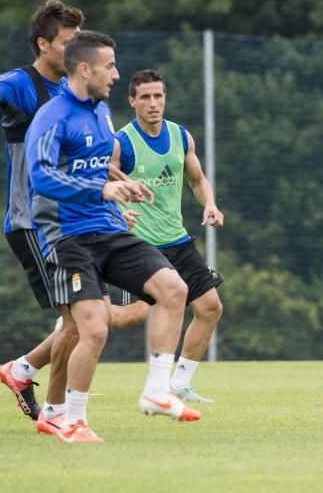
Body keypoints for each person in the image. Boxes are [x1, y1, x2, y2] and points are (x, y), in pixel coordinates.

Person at [0, 0, 147, 434]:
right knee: (81, 321)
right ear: (44, 44)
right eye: (67, 43)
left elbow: (86, 161)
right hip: (33, 221)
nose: (75, 51)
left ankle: (33, 383)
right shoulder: (22, 84)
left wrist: (112, 201)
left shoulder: (82, 99)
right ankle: (42, 396)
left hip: (75, 220)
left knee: (84, 320)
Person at [26, 30, 200, 443]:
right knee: (96, 329)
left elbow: (97, 166)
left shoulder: (101, 112)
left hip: (108, 227)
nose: (116, 75)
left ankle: (157, 392)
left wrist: (123, 185)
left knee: (174, 289)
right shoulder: (53, 116)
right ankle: (72, 420)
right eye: (110, 67)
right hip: (67, 236)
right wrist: (101, 190)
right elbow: (40, 175)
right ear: (84, 69)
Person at [113, 69, 224, 403]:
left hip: (177, 240)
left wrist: (210, 204)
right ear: (132, 101)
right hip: (138, 245)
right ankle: (74, 322)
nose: (153, 103)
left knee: (210, 307)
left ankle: (179, 385)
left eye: (158, 96)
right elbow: (103, 188)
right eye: (145, 97)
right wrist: (120, 214)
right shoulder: (122, 143)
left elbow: (197, 179)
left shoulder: (180, 136)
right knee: (130, 316)